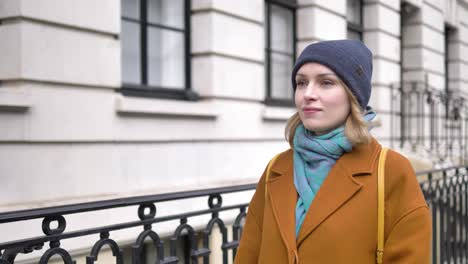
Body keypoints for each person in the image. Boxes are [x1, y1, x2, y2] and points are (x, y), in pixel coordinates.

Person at [234, 40, 431, 263]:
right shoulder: (277, 168)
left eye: (326, 82)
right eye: (301, 83)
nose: (308, 93)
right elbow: (248, 254)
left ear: (353, 95)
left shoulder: (391, 170)